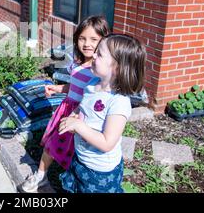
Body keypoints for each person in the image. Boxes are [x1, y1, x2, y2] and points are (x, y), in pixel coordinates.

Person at [20, 16, 110, 193]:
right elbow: (73, 87)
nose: (87, 44)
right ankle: (41, 176)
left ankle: (73, 181)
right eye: (82, 38)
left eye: (94, 39)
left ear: (104, 41)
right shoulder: (77, 64)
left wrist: (79, 113)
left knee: (77, 151)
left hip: (82, 116)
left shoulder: (99, 71)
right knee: (53, 144)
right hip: (67, 109)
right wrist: (57, 88)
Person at [58, 34, 146, 193]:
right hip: (81, 157)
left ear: (117, 67)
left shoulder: (118, 102)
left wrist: (78, 126)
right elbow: (83, 107)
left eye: (99, 54)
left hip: (100, 172)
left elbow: (107, 143)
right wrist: (75, 115)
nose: (93, 55)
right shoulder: (92, 84)